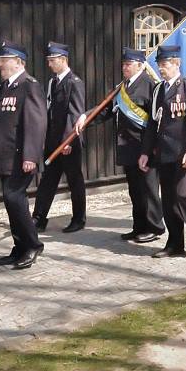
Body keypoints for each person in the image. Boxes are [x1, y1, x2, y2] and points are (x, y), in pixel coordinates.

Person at [75, 47, 164, 243]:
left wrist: (152, 148)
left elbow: (156, 120)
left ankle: (154, 227)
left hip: (144, 146)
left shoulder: (150, 85)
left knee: (149, 189)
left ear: (140, 66)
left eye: (128, 64)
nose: (124, 67)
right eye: (123, 64)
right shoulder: (123, 87)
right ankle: (139, 226)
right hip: (128, 147)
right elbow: (105, 109)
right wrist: (85, 117)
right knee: (135, 190)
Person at [138, 45, 186, 260]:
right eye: (159, 64)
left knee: (183, 194)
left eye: (165, 64)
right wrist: (145, 152)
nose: (161, 68)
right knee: (168, 200)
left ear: (177, 64)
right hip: (164, 153)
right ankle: (175, 243)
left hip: (184, 152)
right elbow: (153, 124)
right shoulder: (158, 90)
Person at [0, 40, 47, 270]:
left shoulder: (29, 86)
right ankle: (19, 247)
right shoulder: (3, 87)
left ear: (18, 62)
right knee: (11, 202)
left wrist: (31, 156)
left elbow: (36, 123)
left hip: (21, 157)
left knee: (15, 198)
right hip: (5, 155)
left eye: (3, 60)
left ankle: (32, 245)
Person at [32, 42, 87, 233]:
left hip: (69, 141)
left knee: (74, 180)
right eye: (48, 60)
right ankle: (39, 218)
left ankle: (79, 218)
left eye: (52, 60)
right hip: (53, 140)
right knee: (47, 180)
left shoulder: (74, 82)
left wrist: (68, 141)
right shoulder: (53, 82)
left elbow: (75, 113)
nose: (49, 64)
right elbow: (50, 112)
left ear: (63, 60)